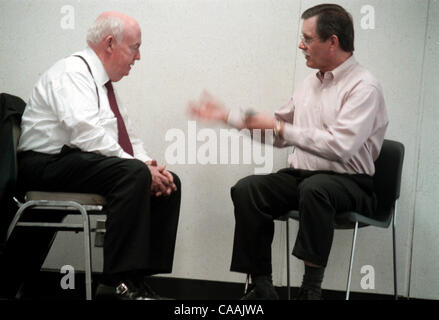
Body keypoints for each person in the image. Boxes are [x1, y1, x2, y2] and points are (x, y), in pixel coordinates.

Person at [189, 4, 388, 300]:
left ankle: (310, 290)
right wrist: (227, 116)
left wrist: (281, 129)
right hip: (304, 177)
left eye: (307, 39)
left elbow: (341, 147)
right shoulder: (310, 83)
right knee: (249, 189)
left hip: (351, 182)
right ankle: (262, 286)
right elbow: (279, 131)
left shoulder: (364, 87)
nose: (301, 45)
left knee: (316, 189)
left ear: (332, 42)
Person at [12, 12, 181, 300]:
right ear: (110, 43)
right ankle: (114, 286)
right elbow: (86, 134)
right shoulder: (72, 73)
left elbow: (126, 138)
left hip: (75, 159)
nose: (138, 57)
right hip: (44, 163)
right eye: (135, 47)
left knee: (167, 182)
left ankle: (136, 282)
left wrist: (150, 165)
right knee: (134, 174)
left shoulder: (104, 86)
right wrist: (140, 168)